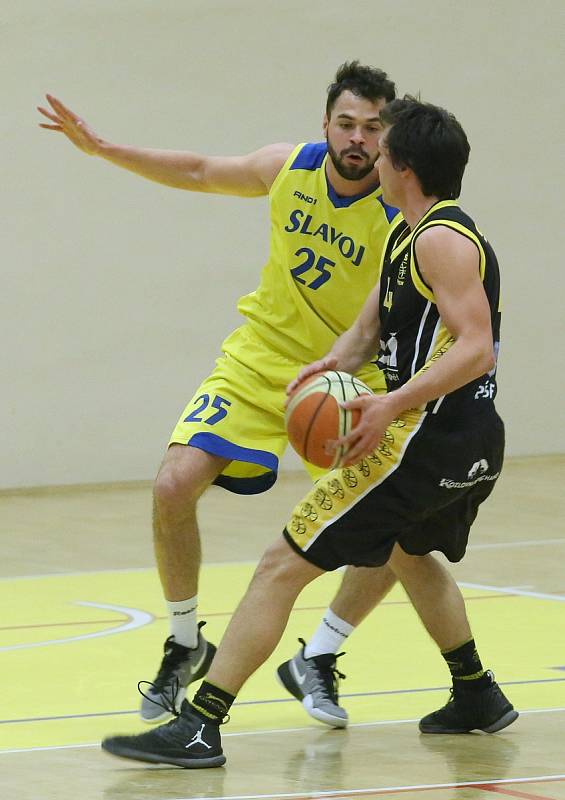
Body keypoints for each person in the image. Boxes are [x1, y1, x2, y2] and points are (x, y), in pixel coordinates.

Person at [100, 96, 518, 769]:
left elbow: (475, 348)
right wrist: (331, 366)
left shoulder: (441, 237)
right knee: (409, 554)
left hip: (426, 438)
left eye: (381, 151)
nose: (370, 158)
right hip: (462, 440)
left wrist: (389, 406)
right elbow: (370, 329)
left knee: (279, 566)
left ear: (402, 167)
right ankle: (475, 692)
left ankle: (200, 725)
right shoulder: (404, 233)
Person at [38, 63, 401, 727]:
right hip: (260, 359)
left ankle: (319, 654)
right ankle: (183, 643)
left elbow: (381, 315)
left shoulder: (401, 208)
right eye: (345, 123)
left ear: (388, 135)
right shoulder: (289, 166)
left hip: (348, 377)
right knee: (173, 485)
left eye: (371, 127)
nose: (356, 137)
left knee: (399, 529)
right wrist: (105, 149)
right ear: (325, 125)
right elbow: (203, 170)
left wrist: (347, 370)